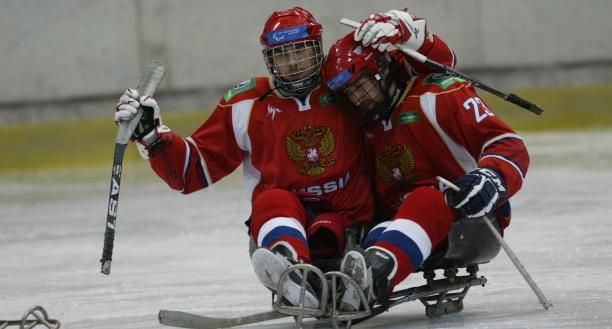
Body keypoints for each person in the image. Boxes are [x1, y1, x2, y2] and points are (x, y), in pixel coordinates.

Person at [113, 7, 456, 310]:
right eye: (282, 55)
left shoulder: (344, 83)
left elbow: (439, 68)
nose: (293, 63)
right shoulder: (247, 102)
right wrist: (154, 137)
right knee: (273, 199)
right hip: (288, 223)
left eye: (302, 52)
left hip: (357, 225)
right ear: (268, 59)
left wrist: (411, 31)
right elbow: (192, 171)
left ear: (317, 50)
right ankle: (291, 271)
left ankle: (368, 271)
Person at [322, 16, 529, 310]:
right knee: (374, 226)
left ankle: (375, 276)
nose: (357, 99)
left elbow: (508, 144)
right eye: (348, 93)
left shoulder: (439, 95)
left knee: (425, 199)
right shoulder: (365, 124)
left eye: (361, 86)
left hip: (470, 221)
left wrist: (492, 178)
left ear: (382, 69)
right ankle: (368, 267)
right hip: (404, 227)